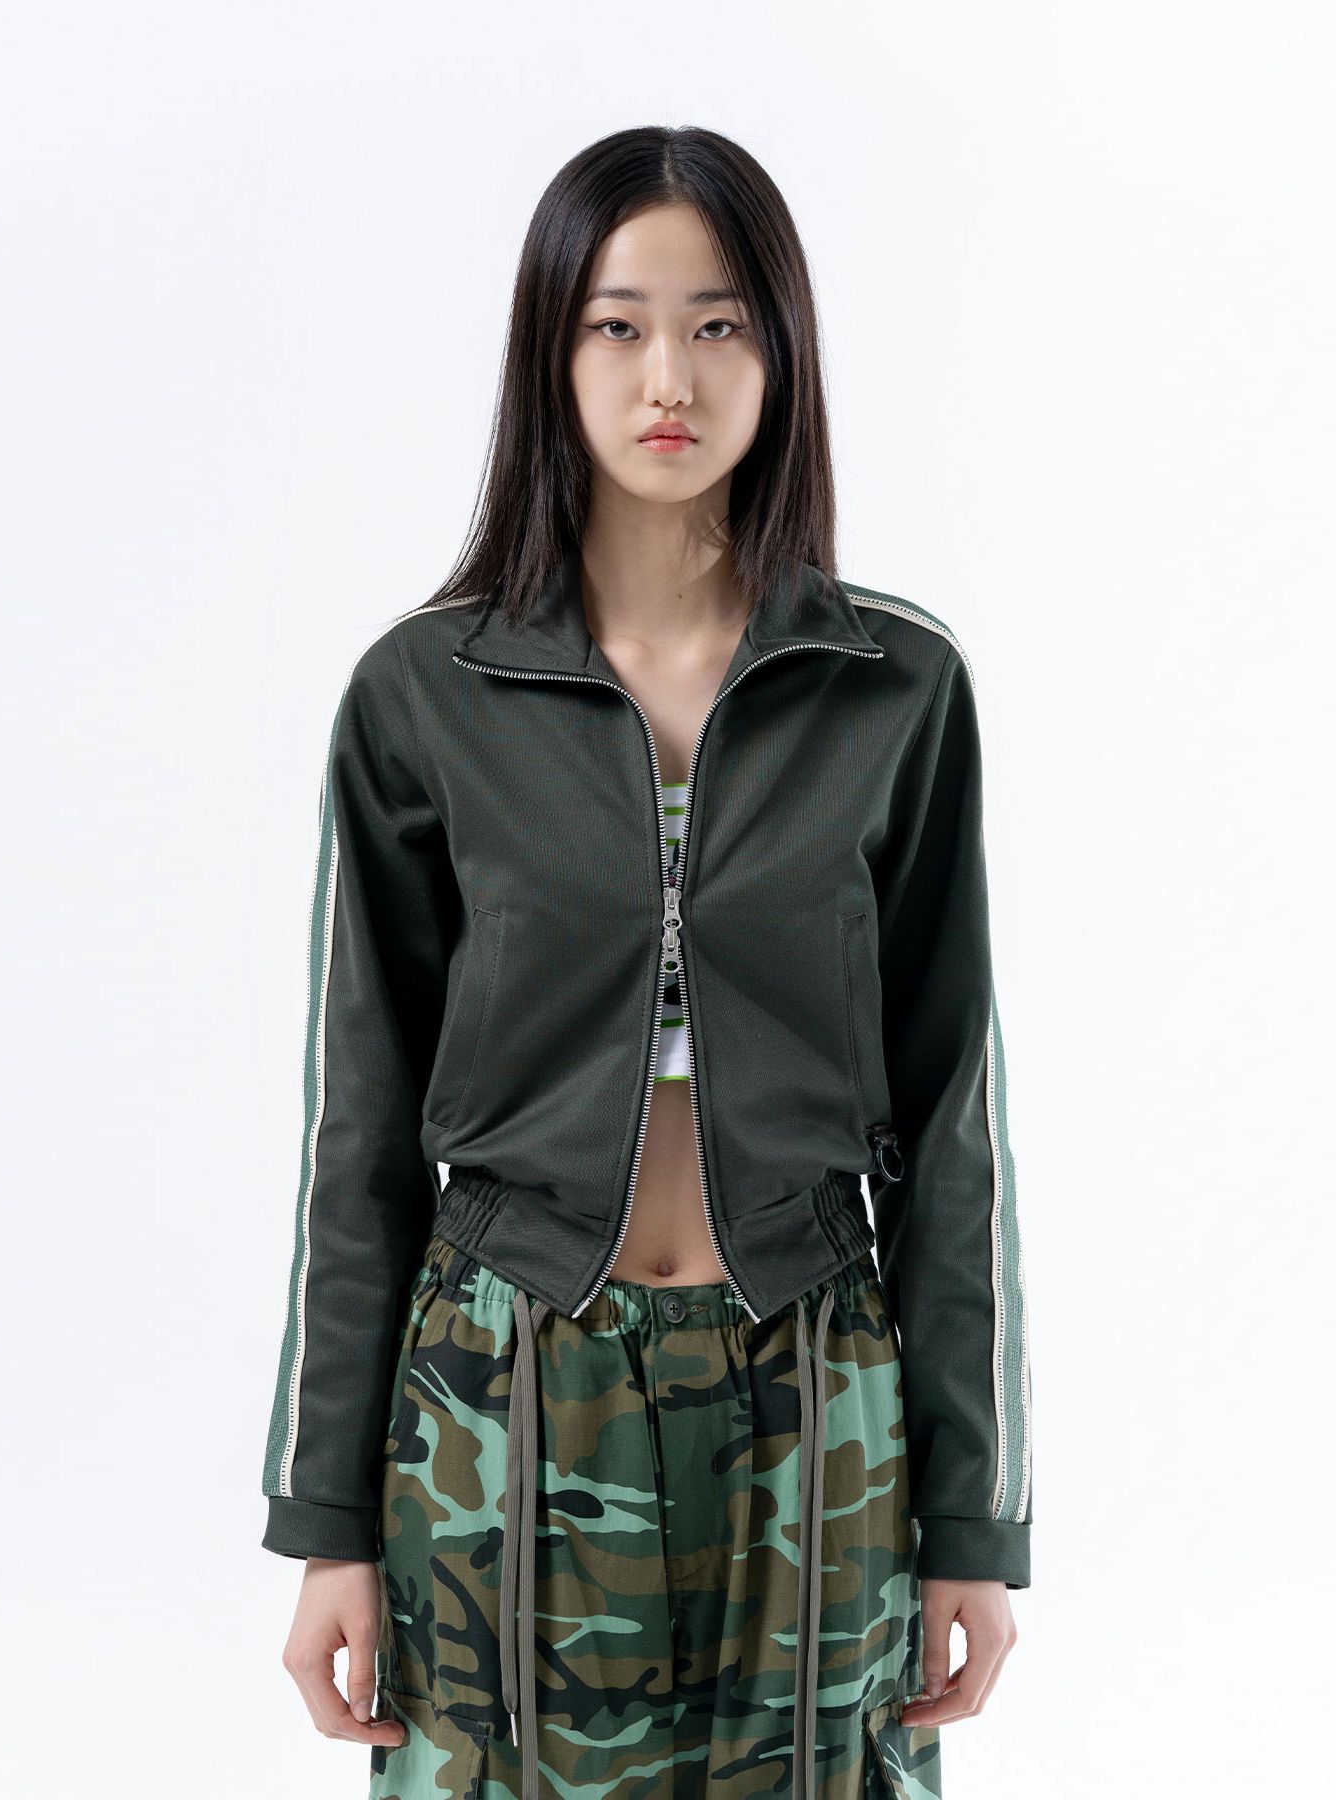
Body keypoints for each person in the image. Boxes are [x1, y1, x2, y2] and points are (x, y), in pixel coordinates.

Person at [260, 124, 1031, 1800]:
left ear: (782, 352)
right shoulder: (424, 697)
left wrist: (974, 1519)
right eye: (614, 324)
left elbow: (952, 1123)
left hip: (816, 1383)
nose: (665, 375)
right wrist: (328, 1524)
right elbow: (359, 1133)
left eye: (717, 323)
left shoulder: (893, 689)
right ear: (550, 355)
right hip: (499, 1384)